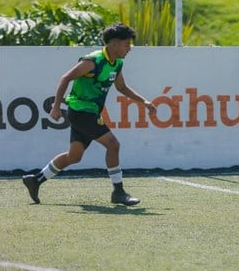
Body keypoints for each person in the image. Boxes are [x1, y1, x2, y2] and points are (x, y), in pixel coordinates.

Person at [22, 23, 157, 206]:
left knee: (74, 156)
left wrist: (145, 102)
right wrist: (55, 107)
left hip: (90, 112)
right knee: (113, 145)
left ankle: (36, 180)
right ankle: (118, 192)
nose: (130, 48)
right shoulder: (93, 61)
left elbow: (122, 87)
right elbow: (66, 78)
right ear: (114, 44)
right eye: (127, 44)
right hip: (80, 111)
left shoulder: (117, 63)